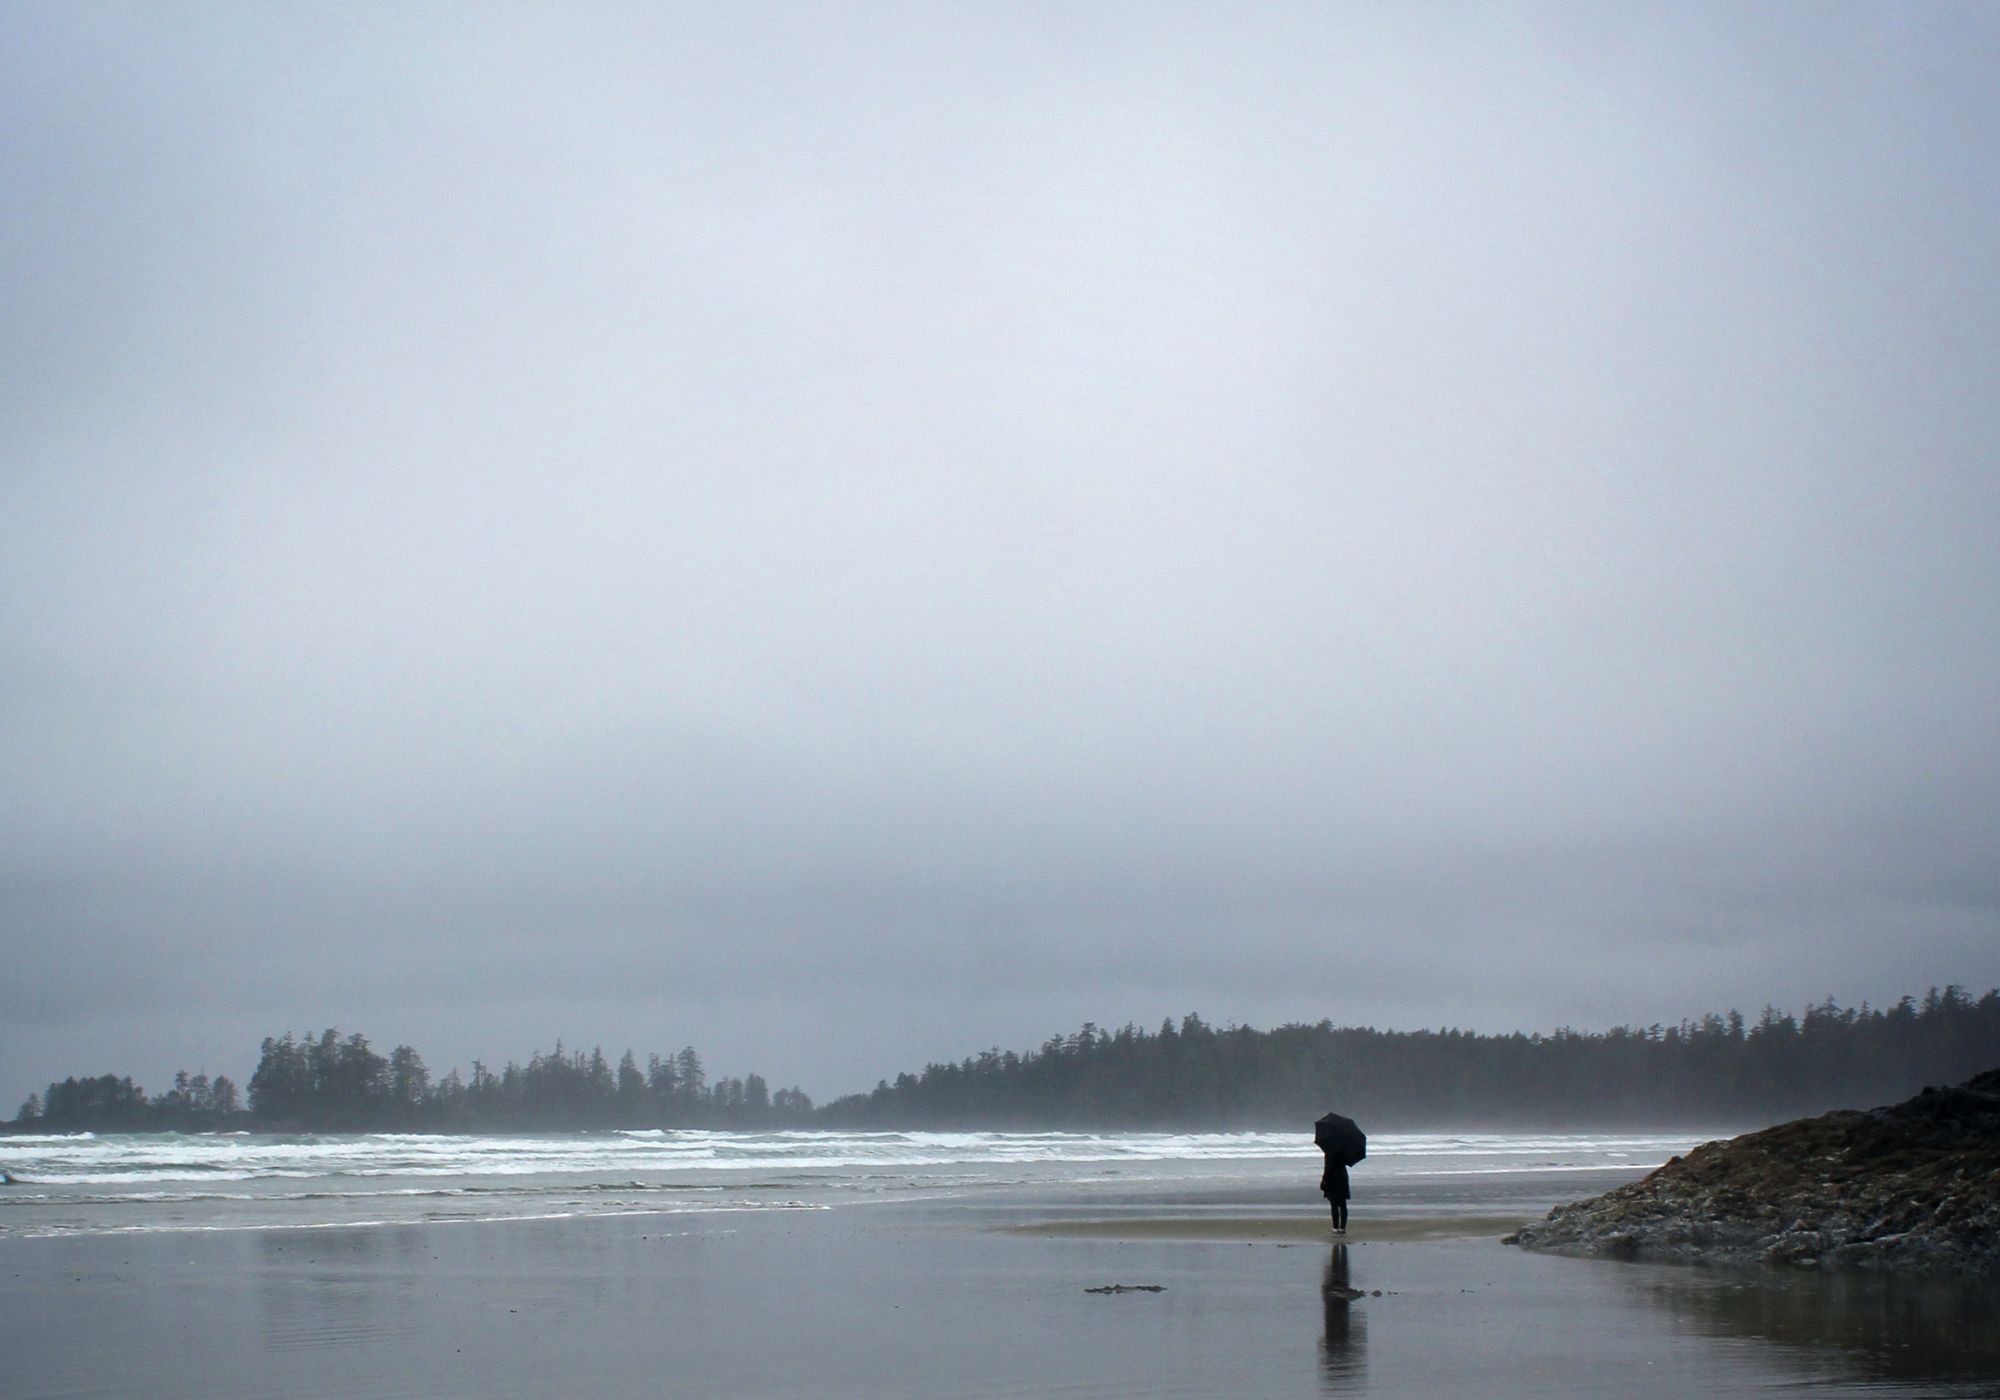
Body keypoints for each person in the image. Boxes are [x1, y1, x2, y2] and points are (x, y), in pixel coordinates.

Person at [1320, 1151, 1350, 1234]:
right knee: (1342, 1204)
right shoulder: (1344, 1152)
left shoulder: (1329, 1153)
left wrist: (1323, 1180)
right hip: (1342, 1178)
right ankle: (1343, 1227)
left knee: (1334, 1205)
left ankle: (1335, 1227)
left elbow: (1328, 1169)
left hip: (1332, 1180)